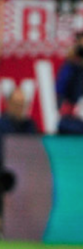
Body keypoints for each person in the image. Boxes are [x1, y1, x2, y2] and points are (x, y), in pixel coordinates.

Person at [0, 87, 36, 238]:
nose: (20, 108)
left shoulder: (30, 127)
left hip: (24, 175)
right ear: (8, 104)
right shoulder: (2, 125)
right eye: (16, 104)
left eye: (23, 104)